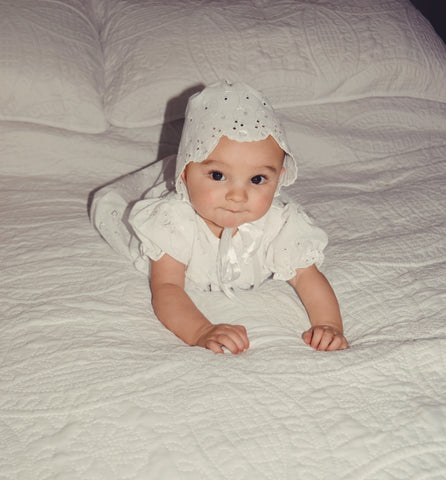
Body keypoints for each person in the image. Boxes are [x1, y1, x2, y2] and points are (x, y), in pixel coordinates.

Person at [94, 81, 348, 354]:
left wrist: (329, 325)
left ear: (278, 180)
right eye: (217, 176)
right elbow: (167, 288)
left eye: (257, 179)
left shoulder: (279, 225)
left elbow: (307, 277)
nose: (237, 196)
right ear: (185, 175)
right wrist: (201, 331)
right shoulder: (175, 222)